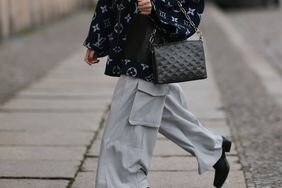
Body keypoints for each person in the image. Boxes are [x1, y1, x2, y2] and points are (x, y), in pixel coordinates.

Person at [83, 0, 231, 187]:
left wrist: (156, 8)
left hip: (148, 48)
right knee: (160, 109)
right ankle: (211, 148)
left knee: (124, 131)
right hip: (130, 42)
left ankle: (128, 183)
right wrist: (97, 39)